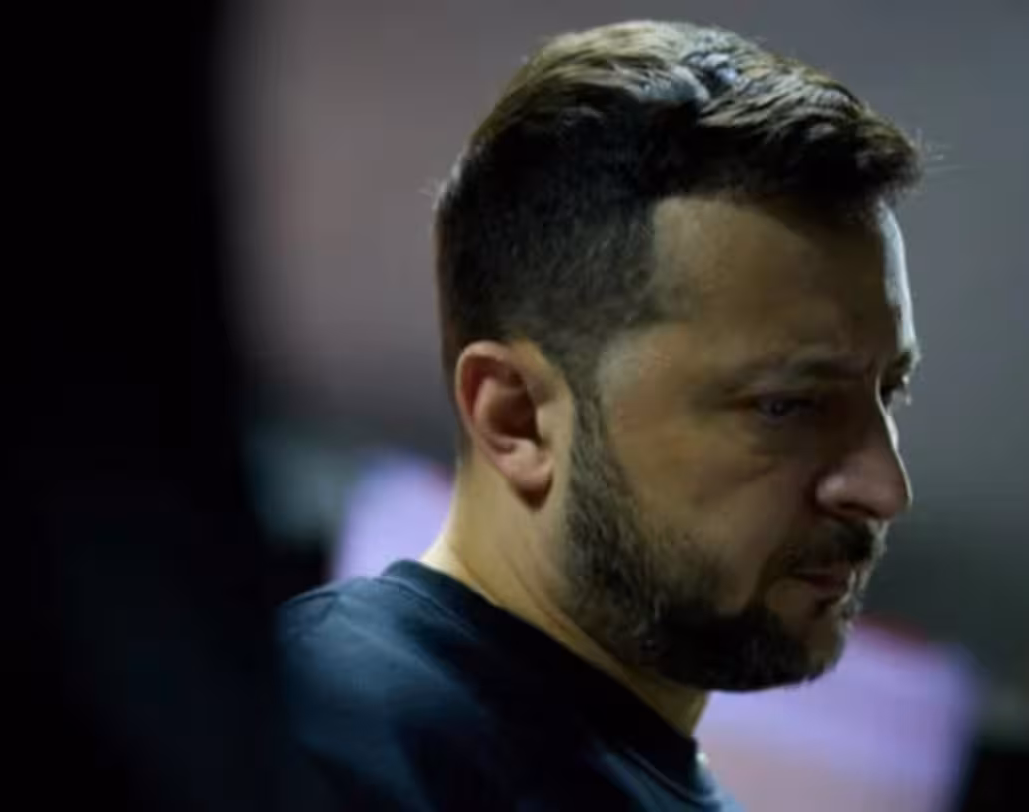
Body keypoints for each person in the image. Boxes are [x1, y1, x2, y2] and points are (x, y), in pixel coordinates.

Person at [280, 19, 923, 810]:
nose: (885, 488)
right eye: (787, 406)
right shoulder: (318, 732)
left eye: (889, 391)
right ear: (517, 418)